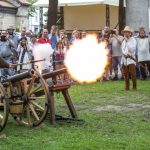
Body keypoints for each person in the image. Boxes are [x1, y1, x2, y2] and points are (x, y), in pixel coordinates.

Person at [121, 26, 137, 91]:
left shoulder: (133, 40)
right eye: (125, 32)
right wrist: (124, 55)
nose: (126, 33)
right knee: (126, 75)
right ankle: (127, 88)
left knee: (133, 74)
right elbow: (122, 49)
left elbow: (132, 49)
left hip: (131, 59)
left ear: (130, 33)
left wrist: (127, 42)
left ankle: (134, 87)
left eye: (127, 32)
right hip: (125, 59)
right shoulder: (123, 41)